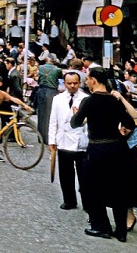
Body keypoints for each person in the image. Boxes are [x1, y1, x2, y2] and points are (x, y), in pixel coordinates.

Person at [70, 67, 136, 243]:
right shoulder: (115, 100)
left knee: (92, 189)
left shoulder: (89, 101)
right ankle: (121, 231)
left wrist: (78, 114)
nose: (86, 82)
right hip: (117, 148)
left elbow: (75, 123)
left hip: (98, 150)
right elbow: (130, 122)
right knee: (118, 189)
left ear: (93, 80)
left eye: (87, 79)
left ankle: (101, 226)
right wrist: (123, 131)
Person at [110, 87, 137, 233]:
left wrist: (121, 98)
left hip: (123, 151)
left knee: (125, 185)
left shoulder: (122, 109)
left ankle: (129, 216)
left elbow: (133, 117)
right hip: (111, 150)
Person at [48, 72, 89, 211]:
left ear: (80, 83)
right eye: (69, 83)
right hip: (63, 140)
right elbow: (53, 120)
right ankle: (69, 200)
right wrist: (51, 140)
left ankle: (87, 203)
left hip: (80, 141)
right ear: (64, 83)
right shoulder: (57, 99)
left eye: (75, 83)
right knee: (66, 174)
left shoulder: (86, 98)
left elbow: (88, 123)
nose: (72, 86)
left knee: (84, 175)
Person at [37, 55, 62, 144]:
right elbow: (60, 79)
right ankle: (49, 138)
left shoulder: (40, 68)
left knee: (41, 114)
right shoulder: (57, 70)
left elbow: (38, 79)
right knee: (50, 115)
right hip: (52, 91)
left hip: (41, 90)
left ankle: (40, 137)